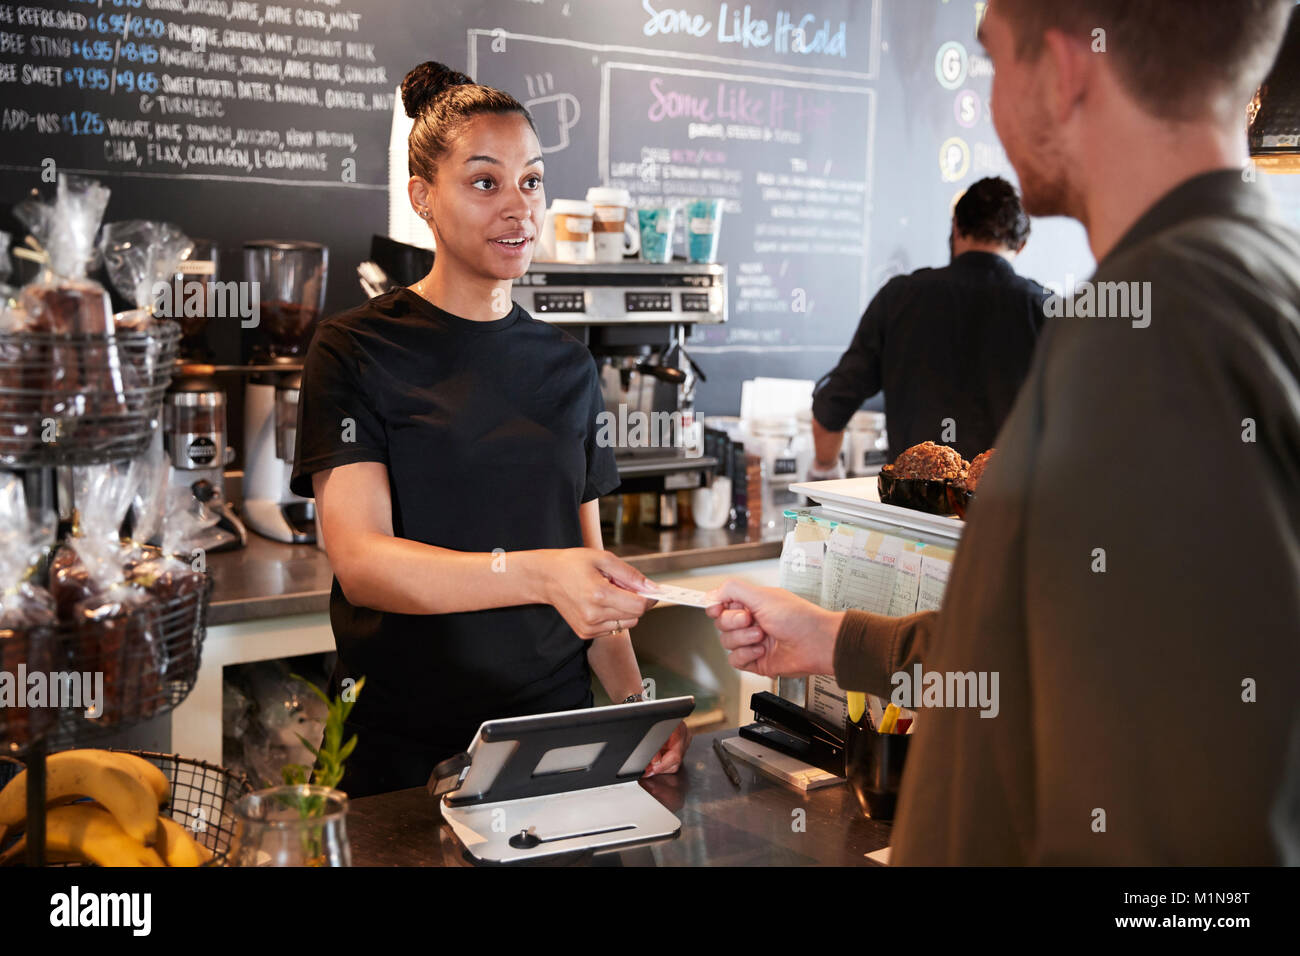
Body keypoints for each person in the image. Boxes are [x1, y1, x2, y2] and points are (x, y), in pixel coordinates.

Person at [708, 0, 1300, 864]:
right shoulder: (1192, 298)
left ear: (1063, 72)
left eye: (992, 63)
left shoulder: (1162, 334)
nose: (989, 104)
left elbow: (1205, 819)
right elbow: (1036, 641)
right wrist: (833, 638)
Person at [291, 62, 689, 798]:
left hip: (549, 742)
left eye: (531, 181)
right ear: (423, 199)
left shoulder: (569, 368)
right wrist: (539, 573)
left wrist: (638, 705)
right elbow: (362, 562)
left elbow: (589, 574)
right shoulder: (354, 349)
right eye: (485, 182)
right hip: (402, 749)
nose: (519, 208)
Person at [810, 177, 1048, 473]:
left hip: (914, 511)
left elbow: (830, 409)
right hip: (1008, 511)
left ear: (956, 228)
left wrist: (824, 470)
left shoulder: (899, 298)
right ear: (1021, 245)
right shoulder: (1046, 311)